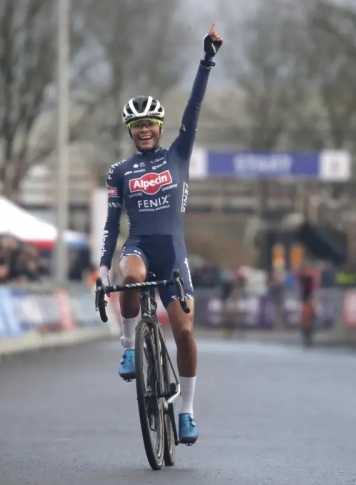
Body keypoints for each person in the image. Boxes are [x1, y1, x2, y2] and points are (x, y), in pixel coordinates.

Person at [98, 23, 223, 445]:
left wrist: (206, 61)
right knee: (129, 276)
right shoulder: (120, 171)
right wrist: (101, 266)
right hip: (139, 246)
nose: (144, 129)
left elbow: (194, 107)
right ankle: (129, 345)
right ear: (129, 132)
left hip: (173, 253)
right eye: (137, 125)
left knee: (185, 332)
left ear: (160, 127)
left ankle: (186, 411)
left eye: (150, 122)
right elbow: (113, 222)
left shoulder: (178, 155)